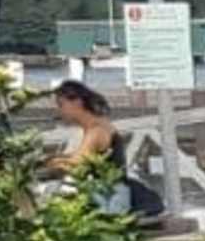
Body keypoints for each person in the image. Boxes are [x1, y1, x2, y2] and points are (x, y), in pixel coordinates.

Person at [50, 79, 164, 221]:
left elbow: (76, 164)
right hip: (114, 192)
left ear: (77, 102)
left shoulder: (95, 132)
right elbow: (83, 155)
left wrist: (44, 164)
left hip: (109, 199)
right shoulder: (101, 124)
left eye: (61, 105)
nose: (59, 111)